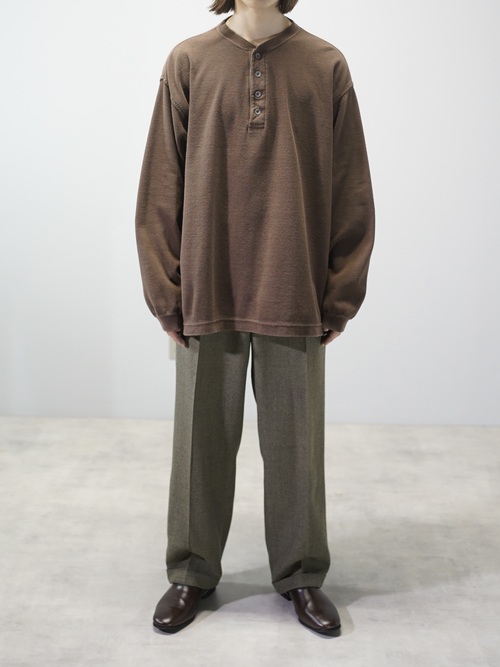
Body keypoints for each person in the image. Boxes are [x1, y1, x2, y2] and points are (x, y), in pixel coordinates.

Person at [135, 0, 375, 636]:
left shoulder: (325, 64)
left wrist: (341, 290)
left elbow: (351, 184)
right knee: (199, 440)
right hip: (206, 282)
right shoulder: (189, 61)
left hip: (294, 284)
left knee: (297, 446)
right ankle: (191, 571)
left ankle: (301, 575)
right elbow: (160, 182)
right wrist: (165, 289)